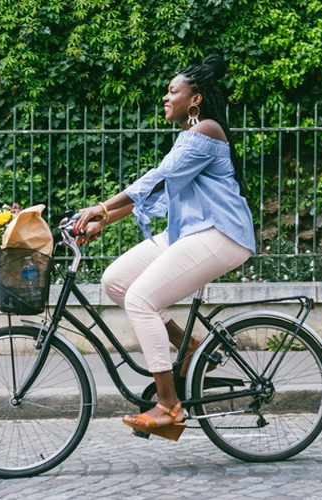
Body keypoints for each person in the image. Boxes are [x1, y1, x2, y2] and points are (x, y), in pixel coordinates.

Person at [72, 54, 255, 441]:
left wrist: (102, 206)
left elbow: (157, 178)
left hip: (221, 234)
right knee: (116, 281)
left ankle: (169, 404)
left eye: (173, 91)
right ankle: (188, 345)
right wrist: (105, 220)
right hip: (191, 231)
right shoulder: (192, 134)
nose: (165, 98)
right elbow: (160, 191)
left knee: (140, 299)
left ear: (195, 99)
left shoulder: (205, 130)